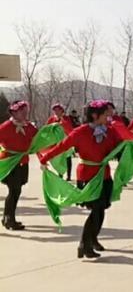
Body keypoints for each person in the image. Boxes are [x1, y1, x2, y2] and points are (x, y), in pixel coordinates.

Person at [40, 100, 123, 258]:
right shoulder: (80, 132)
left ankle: (93, 239)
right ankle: (84, 245)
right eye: (106, 114)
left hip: (103, 174)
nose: (109, 116)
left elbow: (120, 147)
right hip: (87, 176)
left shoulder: (110, 131)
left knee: (101, 209)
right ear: (94, 115)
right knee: (96, 210)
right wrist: (45, 159)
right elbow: (62, 146)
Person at [0, 101, 37, 230]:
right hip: (10, 163)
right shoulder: (5, 127)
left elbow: (39, 137)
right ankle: (9, 219)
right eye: (22, 111)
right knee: (14, 190)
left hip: (22, 161)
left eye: (26, 111)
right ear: (14, 112)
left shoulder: (29, 127)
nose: (25, 113)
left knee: (17, 190)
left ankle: (8, 217)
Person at [47, 104, 74, 181]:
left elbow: (70, 128)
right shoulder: (51, 119)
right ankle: (60, 174)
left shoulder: (66, 118)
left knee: (68, 157)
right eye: (55, 110)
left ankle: (69, 175)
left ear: (62, 111)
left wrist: (62, 122)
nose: (56, 112)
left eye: (58, 110)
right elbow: (47, 129)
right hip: (56, 141)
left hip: (66, 140)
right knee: (58, 157)